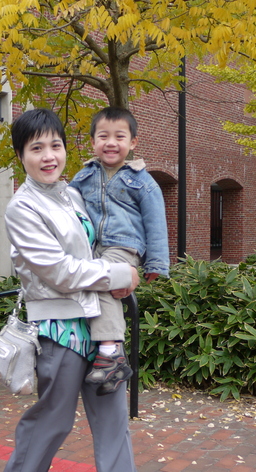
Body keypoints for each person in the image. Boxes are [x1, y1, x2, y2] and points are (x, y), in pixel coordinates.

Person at [0, 108, 164, 472]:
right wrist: (120, 274)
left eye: (55, 145)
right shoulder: (22, 207)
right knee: (52, 422)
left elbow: (113, 238)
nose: (48, 156)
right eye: (37, 148)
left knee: (114, 430)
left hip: (101, 326)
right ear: (21, 155)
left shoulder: (73, 194)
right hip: (60, 331)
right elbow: (60, 271)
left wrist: (130, 269)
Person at [68, 107, 169, 394]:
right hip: (92, 248)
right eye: (103, 136)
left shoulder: (142, 180)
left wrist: (156, 264)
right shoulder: (83, 176)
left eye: (119, 137)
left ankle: (111, 351)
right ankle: (101, 354)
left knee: (102, 279)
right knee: (89, 281)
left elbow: (156, 222)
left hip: (124, 246)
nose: (111, 143)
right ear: (93, 142)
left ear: (133, 142)